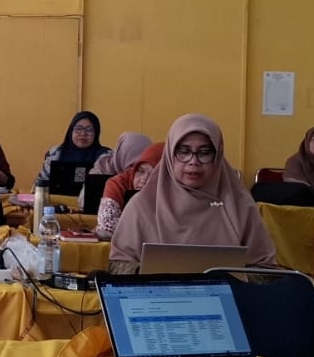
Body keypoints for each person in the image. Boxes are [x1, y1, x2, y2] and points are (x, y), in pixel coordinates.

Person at [108, 115, 276, 273]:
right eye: (184, 151)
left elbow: (266, 270)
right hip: (156, 294)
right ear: (170, 155)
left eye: (204, 153)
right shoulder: (142, 206)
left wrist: (233, 281)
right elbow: (117, 266)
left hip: (227, 295)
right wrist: (150, 276)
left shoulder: (241, 208)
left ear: (217, 157)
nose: (193, 162)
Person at [94, 141, 161, 240]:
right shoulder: (119, 182)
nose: (143, 179)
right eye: (140, 171)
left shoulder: (174, 188)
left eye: (153, 175)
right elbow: (107, 226)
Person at [38, 111, 110, 182]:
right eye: (78, 128)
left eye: (89, 130)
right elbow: (41, 183)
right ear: (71, 131)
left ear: (96, 133)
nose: (83, 133)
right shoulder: (56, 153)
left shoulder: (106, 157)